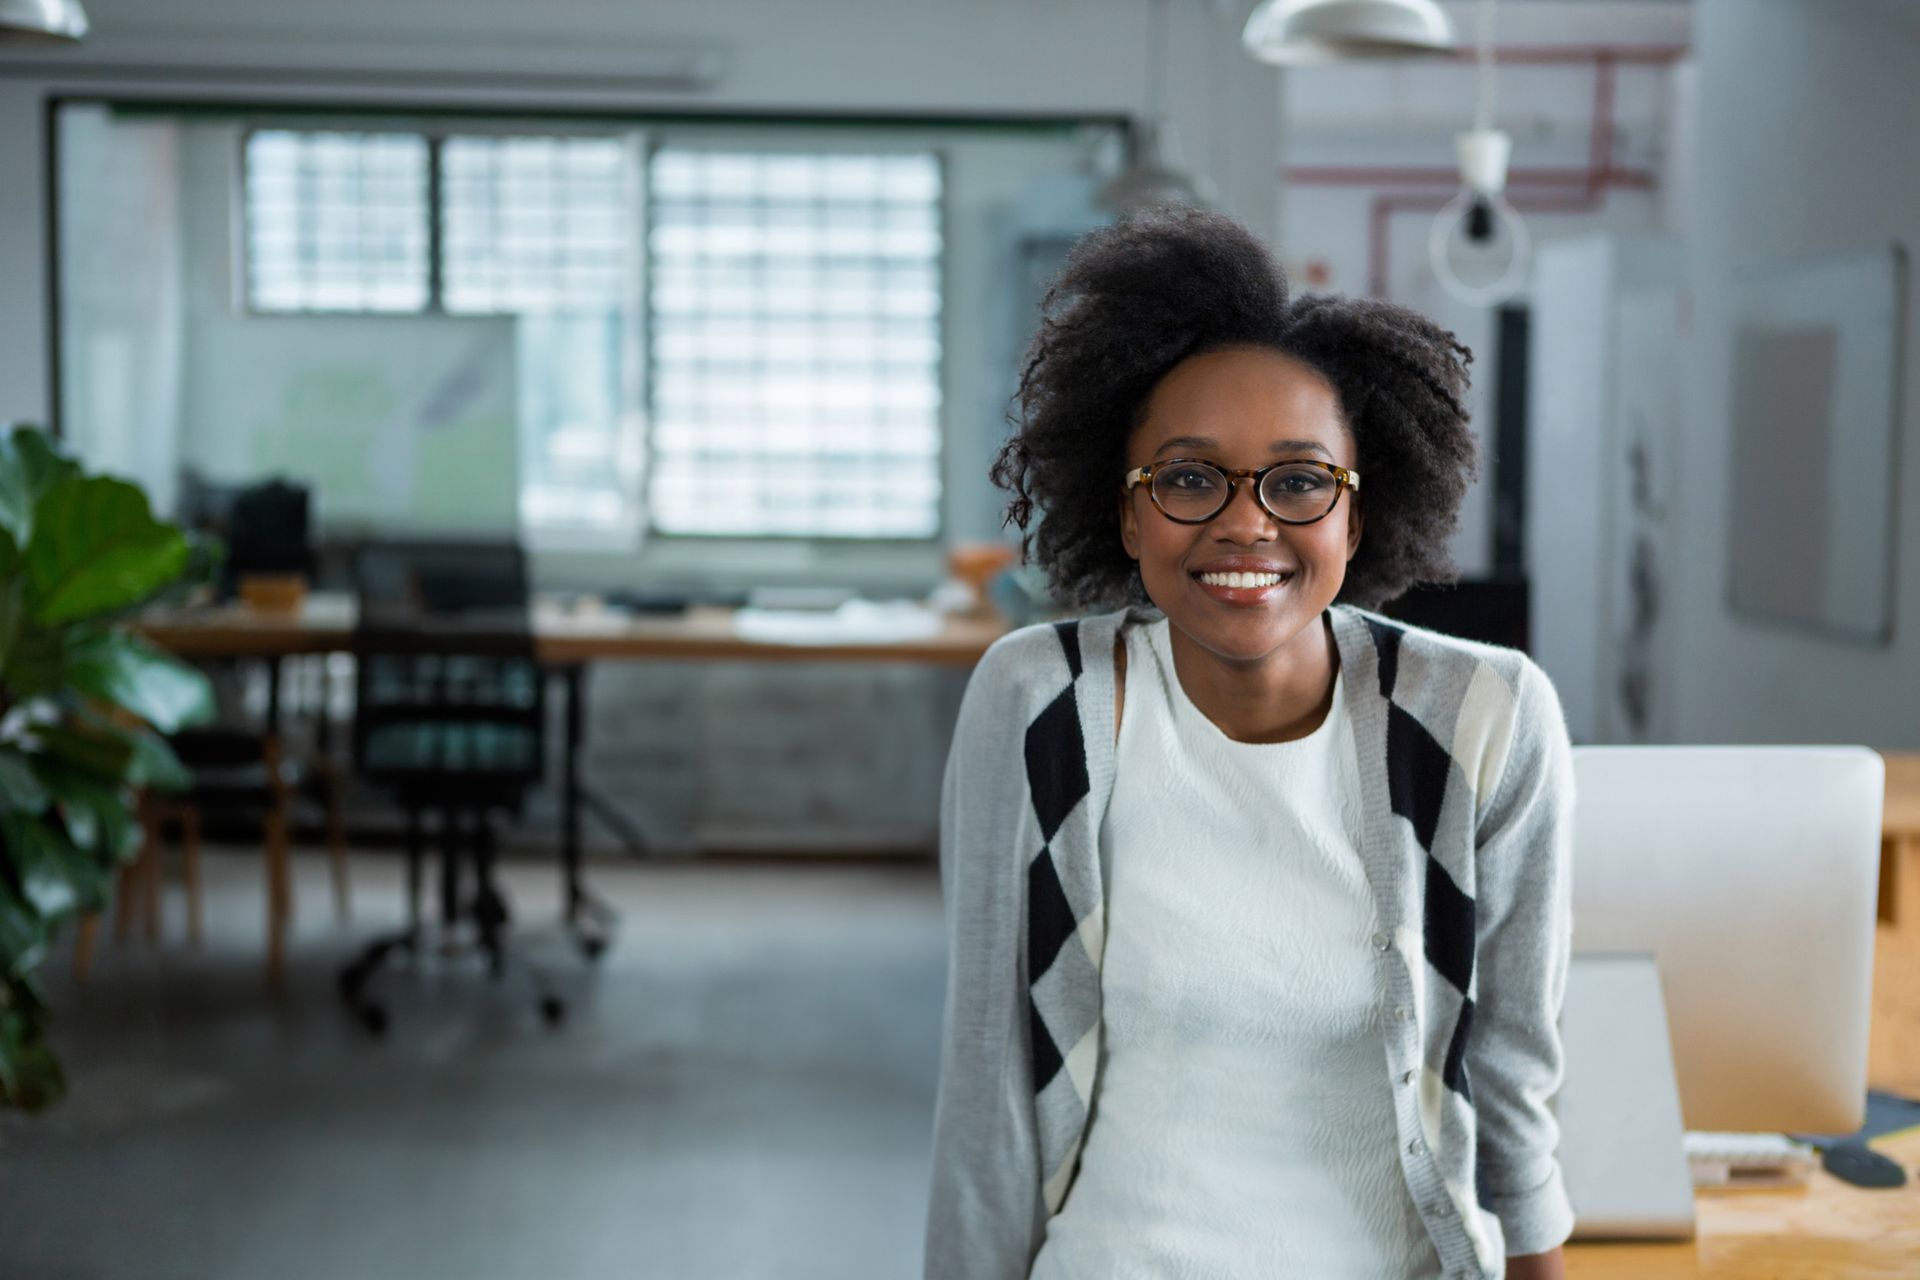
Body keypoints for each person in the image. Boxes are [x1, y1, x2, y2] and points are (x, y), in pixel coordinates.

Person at [923, 205, 1573, 1280]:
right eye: (1186, 478)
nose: (1244, 522)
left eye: (1299, 479)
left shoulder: (1483, 717)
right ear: (1126, 516)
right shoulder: (1042, 702)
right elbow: (986, 1093)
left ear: (1355, 516)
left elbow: (1514, 1076)